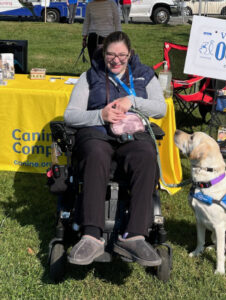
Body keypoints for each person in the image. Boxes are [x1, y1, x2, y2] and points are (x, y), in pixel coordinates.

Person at [64, 31, 166, 267]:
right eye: (111, 54)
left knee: (146, 155)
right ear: (103, 53)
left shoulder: (144, 75)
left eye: (122, 55)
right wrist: (101, 115)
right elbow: (71, 116)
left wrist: (133, 101)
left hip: (132, 133)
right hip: (98, 133)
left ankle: (135, 236)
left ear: (130, 54)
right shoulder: (89, 76)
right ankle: (92, 235)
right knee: (95, 154)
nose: (116, 60)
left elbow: (160, 109)